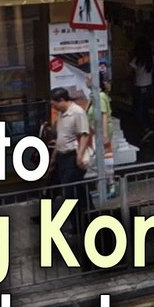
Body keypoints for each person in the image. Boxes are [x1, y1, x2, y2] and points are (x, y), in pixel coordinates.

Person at [50, 87, 91, 231]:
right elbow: (61, 137)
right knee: (77, 190)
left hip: (72, 156)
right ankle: (89, 216)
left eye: (54, 104)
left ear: (62, 100)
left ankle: (77, 225)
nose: (53, 107)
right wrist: (54, 157)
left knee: (69, 192)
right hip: (62, 156)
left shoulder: (77, 112)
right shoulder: (62, 114)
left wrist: (79, 155)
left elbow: (84, 134)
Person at [129, 38, 154, 143]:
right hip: (149, 86)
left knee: (137, 110)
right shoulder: (151, 58)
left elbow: (130, 72)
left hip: (139, 86)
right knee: (145, 109)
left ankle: (145, 129)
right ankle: (148, 128)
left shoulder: (137, 59)